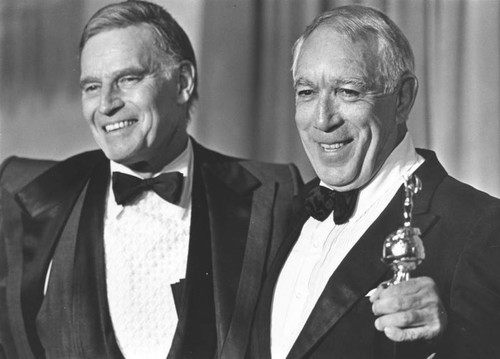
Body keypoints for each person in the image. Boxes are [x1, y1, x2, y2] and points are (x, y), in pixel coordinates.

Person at [0, 1, 302, 358]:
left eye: (128, 79)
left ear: (183, 83)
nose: (106, 104)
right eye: (92, 86)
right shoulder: (24, 195)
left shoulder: (273, 195)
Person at [240, 5, 500, 359]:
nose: (322, 119)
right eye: (306, 92)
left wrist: (447, 340)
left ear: (403, 99)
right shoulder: (285, 210)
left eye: (348, 91)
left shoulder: (481, 226)